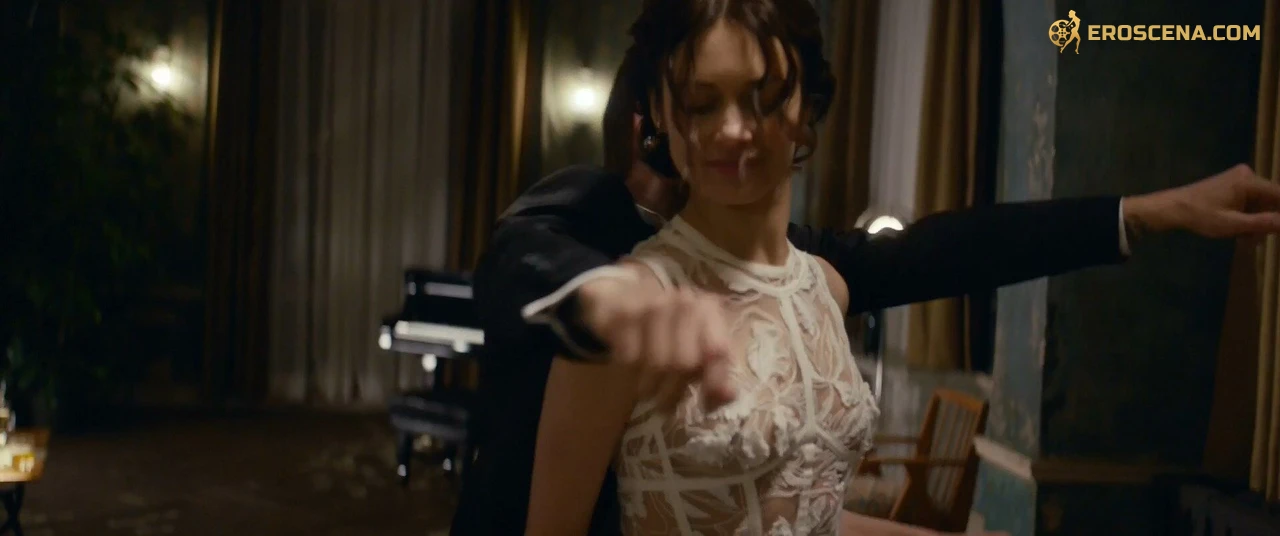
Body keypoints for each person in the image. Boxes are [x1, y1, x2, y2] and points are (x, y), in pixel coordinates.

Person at [452, 1, 1280, 534]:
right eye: (701, 102)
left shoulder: (823, 279)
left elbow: (961, 247)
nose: (733, 130)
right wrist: (603, 302)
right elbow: (520, 262)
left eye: (763, 96)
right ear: (658, 118)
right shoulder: (615, 272)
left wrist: (1154, 209)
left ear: (806, 108)